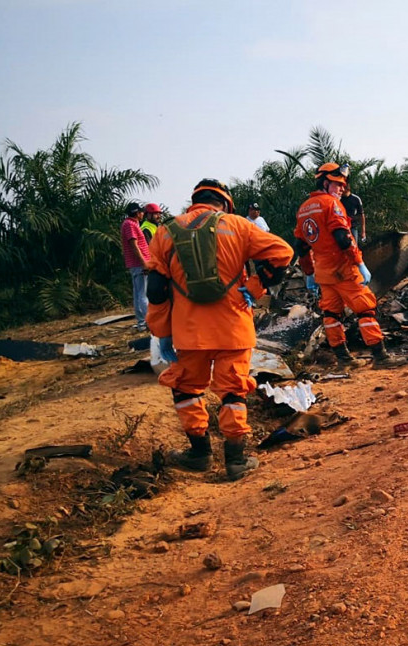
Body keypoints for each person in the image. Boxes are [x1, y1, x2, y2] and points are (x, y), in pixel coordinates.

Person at [146, 179, 293, 481]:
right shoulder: (237, 225)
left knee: (186, 389)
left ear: (194, 200)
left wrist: (162, 332)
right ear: (225, 203)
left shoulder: (165, 232)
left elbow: (157, 290)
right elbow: (283, 253)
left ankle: (199, 454)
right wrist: (254, 286)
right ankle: (236, 460)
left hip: (188, 331)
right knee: (232, 392)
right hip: (233, 326)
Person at [294, 162, 404, 369]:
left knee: (331, 314)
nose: (342, 188)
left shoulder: (303, 209)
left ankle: (344, 360)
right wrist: (360, 263)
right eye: (337, 184)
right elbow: (344, 238)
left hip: (323, 273)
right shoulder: (332, 204)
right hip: (344, 269)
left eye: (343, 185)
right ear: (325, 182)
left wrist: (309, 272)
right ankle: (380, 357)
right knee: (365, 309)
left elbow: (300, 246)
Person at [120, 201, 153, 330]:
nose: (143, 214)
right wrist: (144, 262)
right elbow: (134, 245)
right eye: (141, 212)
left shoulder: (132, 224)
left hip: (138, 263)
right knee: (142, 294)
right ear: (137, 213)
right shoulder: (130, 225)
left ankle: (141, 322)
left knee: (139, 293)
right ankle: (146, 322)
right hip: (139, 264)